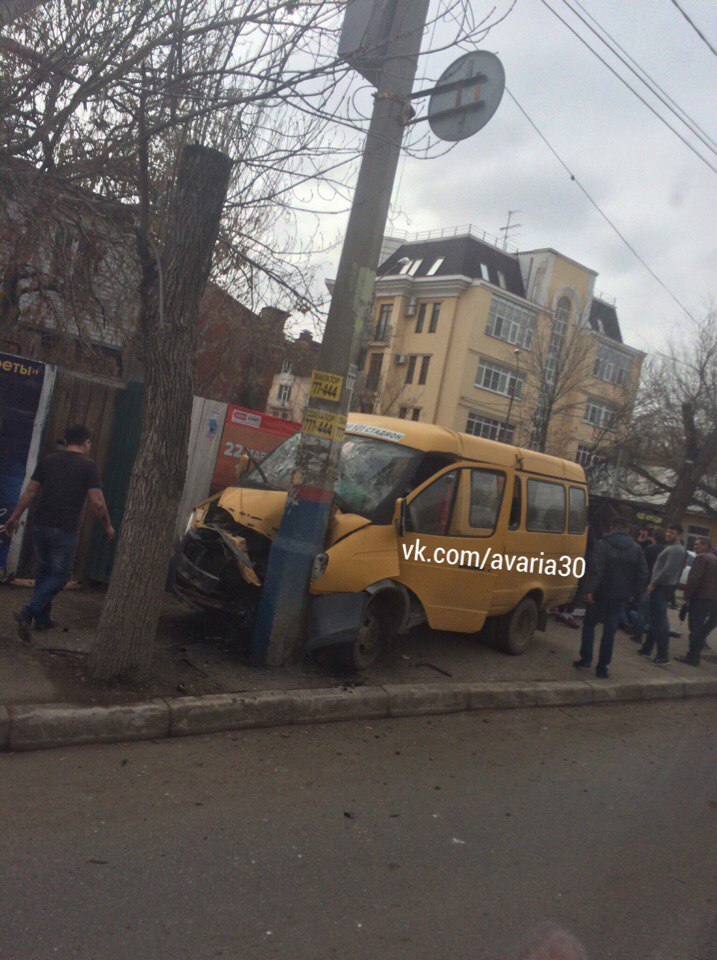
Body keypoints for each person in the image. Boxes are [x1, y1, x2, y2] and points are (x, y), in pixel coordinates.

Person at [0, 425, 114, 642]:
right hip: (64, 529)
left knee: (45, 571)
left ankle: (42, 620)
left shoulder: (48, 461)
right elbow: (98, 503)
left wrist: (14, 518)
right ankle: (28, 611)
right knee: (61, 576)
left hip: (40, 525)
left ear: (66, 440)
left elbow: (30, 492)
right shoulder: (88, 466)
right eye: (89, 442)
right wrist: (107, 525)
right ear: (86, 442)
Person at [573, 509, 648, 679]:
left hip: (599, 593)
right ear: (627, 529)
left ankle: (585, 659)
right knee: (610, 632)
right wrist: (632, 592)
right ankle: (602, 668)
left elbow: (596, 570)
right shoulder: (636, 548)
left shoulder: (602, 543)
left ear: (612, 527)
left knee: (589, 625)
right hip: (620, 596)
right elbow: (643, 574)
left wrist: (590, 590)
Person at [637, 524, 686, 664]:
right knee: (655, 620)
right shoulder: (672, 548)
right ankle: (647, 648)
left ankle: (663, 655)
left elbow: (667, 571)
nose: (668, 534)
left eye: (672, 532)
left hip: (661, 587)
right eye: (668, 531)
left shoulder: (676, 550)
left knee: (660, 622)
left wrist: (653, 583)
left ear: (679, 535)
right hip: (660, 587)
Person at [675, 538, 717, 667]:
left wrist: (687, 595)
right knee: (700, 629)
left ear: (706, 545)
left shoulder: (702, 558)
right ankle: (694, 655)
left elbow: (694, 579)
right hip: (710, 599)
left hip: (699, 598)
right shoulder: (714, 559)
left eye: (697, 544)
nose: (694, 547)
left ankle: (692, 656)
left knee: (694, 627)